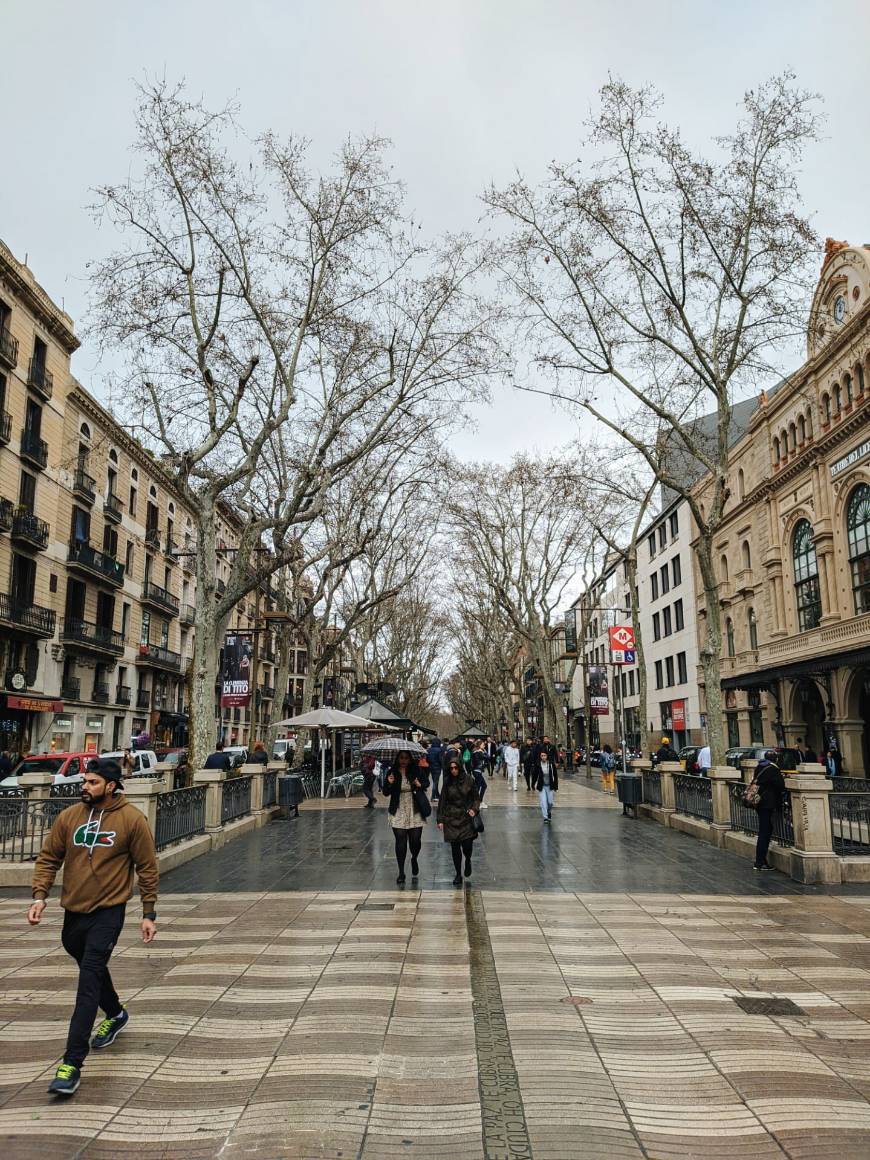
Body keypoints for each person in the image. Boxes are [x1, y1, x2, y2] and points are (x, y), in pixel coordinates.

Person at [27, 757, 158, 1096]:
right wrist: (39, 895)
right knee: (88, 963)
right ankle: (115, 1012)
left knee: (88, 983)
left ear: (111, 786)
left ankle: (71, 1064)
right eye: (84, 782)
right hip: (73, 912)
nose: (84, 787)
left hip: (108, 913)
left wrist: (148, 912)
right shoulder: (70, 817)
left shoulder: (131, 819)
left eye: (92, 782)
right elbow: (49, 857)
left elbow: (147, 867)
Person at [383, 750, 430, 885]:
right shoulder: (392, 772)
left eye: (406, 758)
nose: (403, 760)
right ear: (397, 759)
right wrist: (390, 783)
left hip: (414, 807)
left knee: (415, 840)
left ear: (410, 759)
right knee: (400, 840)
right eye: (401, 758)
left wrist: (419, 784)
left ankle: (414, 857)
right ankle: (401, 871)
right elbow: (385, 792)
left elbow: (426, 783)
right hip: (398, 808)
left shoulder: (417, 770)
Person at [437, 758, 481, 887]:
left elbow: (476, 798)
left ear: (460, 768)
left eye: (456, 768)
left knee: (467, 845)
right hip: (451, 817)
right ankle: (457, 873)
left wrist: (474, 809)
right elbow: (442, 801)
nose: (453, 770)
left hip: (466, 816)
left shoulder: (469, 779)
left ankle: (467, 859)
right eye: (451, 768)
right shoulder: (447, 782)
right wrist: (440, 819)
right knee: (455, 848)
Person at [750, 750, 786, 871]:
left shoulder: (759, 766)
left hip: (759, 802)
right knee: (764, 831)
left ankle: (762, 860)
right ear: (775, 759)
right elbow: (780, 785)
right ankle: (759, 862)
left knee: (765, 829)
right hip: (767, 803)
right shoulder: (773, 769)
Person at [534, 743, 558, 821]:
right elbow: (535, 775)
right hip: (542, 786)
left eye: (544, 755)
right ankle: (545, 817)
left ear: (547, 756)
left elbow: (555, 776)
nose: (543, 757)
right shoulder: (538, 764)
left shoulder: (551, 764)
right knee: (543, 802)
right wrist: (533, 784)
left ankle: (548, 812)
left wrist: (556, 786)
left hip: (550, 786)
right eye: (542, 756)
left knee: (550, 802)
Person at [471, 740, 488, 808]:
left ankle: (476, 801)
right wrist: (485, 752)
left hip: (477, 771)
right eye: (483, 745)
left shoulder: (477, 752)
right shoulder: (479, 752)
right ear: (479, 745)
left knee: (478, 787)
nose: (484, 746)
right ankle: (478, 802)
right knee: (483, 786)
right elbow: (487, 757)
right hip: (477, 771)